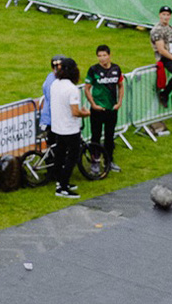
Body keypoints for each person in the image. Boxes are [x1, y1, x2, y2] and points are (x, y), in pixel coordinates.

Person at [46, 57, 89, 198]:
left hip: (57, 126)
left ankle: (60, 181)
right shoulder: (72, 89)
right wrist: (85, 113)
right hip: (70, 128)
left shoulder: (55, 84)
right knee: (72, 157)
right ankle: (63, 187)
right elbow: (75, 112)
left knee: (59, 155)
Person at [85, 46, 124, 174]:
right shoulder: (93, 70)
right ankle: (95, 163)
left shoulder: (116, 69)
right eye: (99, 56)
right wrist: (93, 104)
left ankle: (108, 161)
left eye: (104, 55)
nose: (102, 58)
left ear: (109, 55)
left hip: (111, 109)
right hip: (97, 110)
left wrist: (119, 102)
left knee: (109, 136)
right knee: (95, 136)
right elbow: (87, 89)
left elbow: (120, 85)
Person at [150, 6, 172, 109]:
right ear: (160, 15)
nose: (165, 17)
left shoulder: (171, 29)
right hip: (165, 57)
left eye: (168, 15)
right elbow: (161, 50)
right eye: (163, 14)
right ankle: (165, 93)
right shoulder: (157, 30)